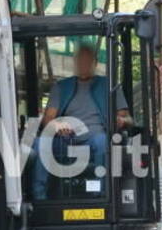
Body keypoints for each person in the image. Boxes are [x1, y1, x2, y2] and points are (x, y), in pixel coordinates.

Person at [32, 43, 131, 200]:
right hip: (66, 141)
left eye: (87, 61)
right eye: (80, 61)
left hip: (95, 139)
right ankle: (39, 198)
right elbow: (48, 119)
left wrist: (121, 121)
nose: (83, 65)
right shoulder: (61, 87)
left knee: (102, 141)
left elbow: (127, 118)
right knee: (40, 143)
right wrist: (57, 125)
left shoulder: (109, 86)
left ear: (95, 63)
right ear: (75, 63)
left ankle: (100, 196)